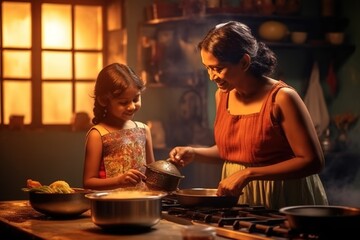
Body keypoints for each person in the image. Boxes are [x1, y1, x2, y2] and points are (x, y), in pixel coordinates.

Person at [169, 21, 328, 209]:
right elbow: (237, 150)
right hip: (241, 195)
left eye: (218, 68)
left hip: (284, 195)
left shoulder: (282, 98)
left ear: (244, 62)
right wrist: (194, 153)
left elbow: (312, 161)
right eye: (208, 68)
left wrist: (249, 174)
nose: (212, 76)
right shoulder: (222, 95)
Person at [83, 63, 155, 190]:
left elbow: (153, 176)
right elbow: (88, 182)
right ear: (104, 100)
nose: (132, 106)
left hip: (143, 205)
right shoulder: (97, 134)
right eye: (123, 102)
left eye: (136, 99)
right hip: (110, 207)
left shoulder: (144, 130)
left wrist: (170, 166)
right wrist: (118, 181)